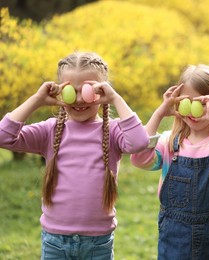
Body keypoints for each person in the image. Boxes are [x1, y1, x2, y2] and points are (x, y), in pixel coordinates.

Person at [0, 51, 149, 259]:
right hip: (55, 241)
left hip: (98, 243)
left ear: (102, 90)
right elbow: (3, 136)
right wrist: (37, 100)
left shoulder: (113, 132)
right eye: (71, 90)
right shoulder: (49, 131)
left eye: (87, 90)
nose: (79, 99)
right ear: (60, 91)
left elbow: (140, 142)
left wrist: (115, 99)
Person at [131, 64, 209, 259]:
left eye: (201, 103)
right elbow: (139, 158)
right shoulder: (169, 142)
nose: (193, 110)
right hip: (173, 235)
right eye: (187, 102)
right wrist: (159, 113)